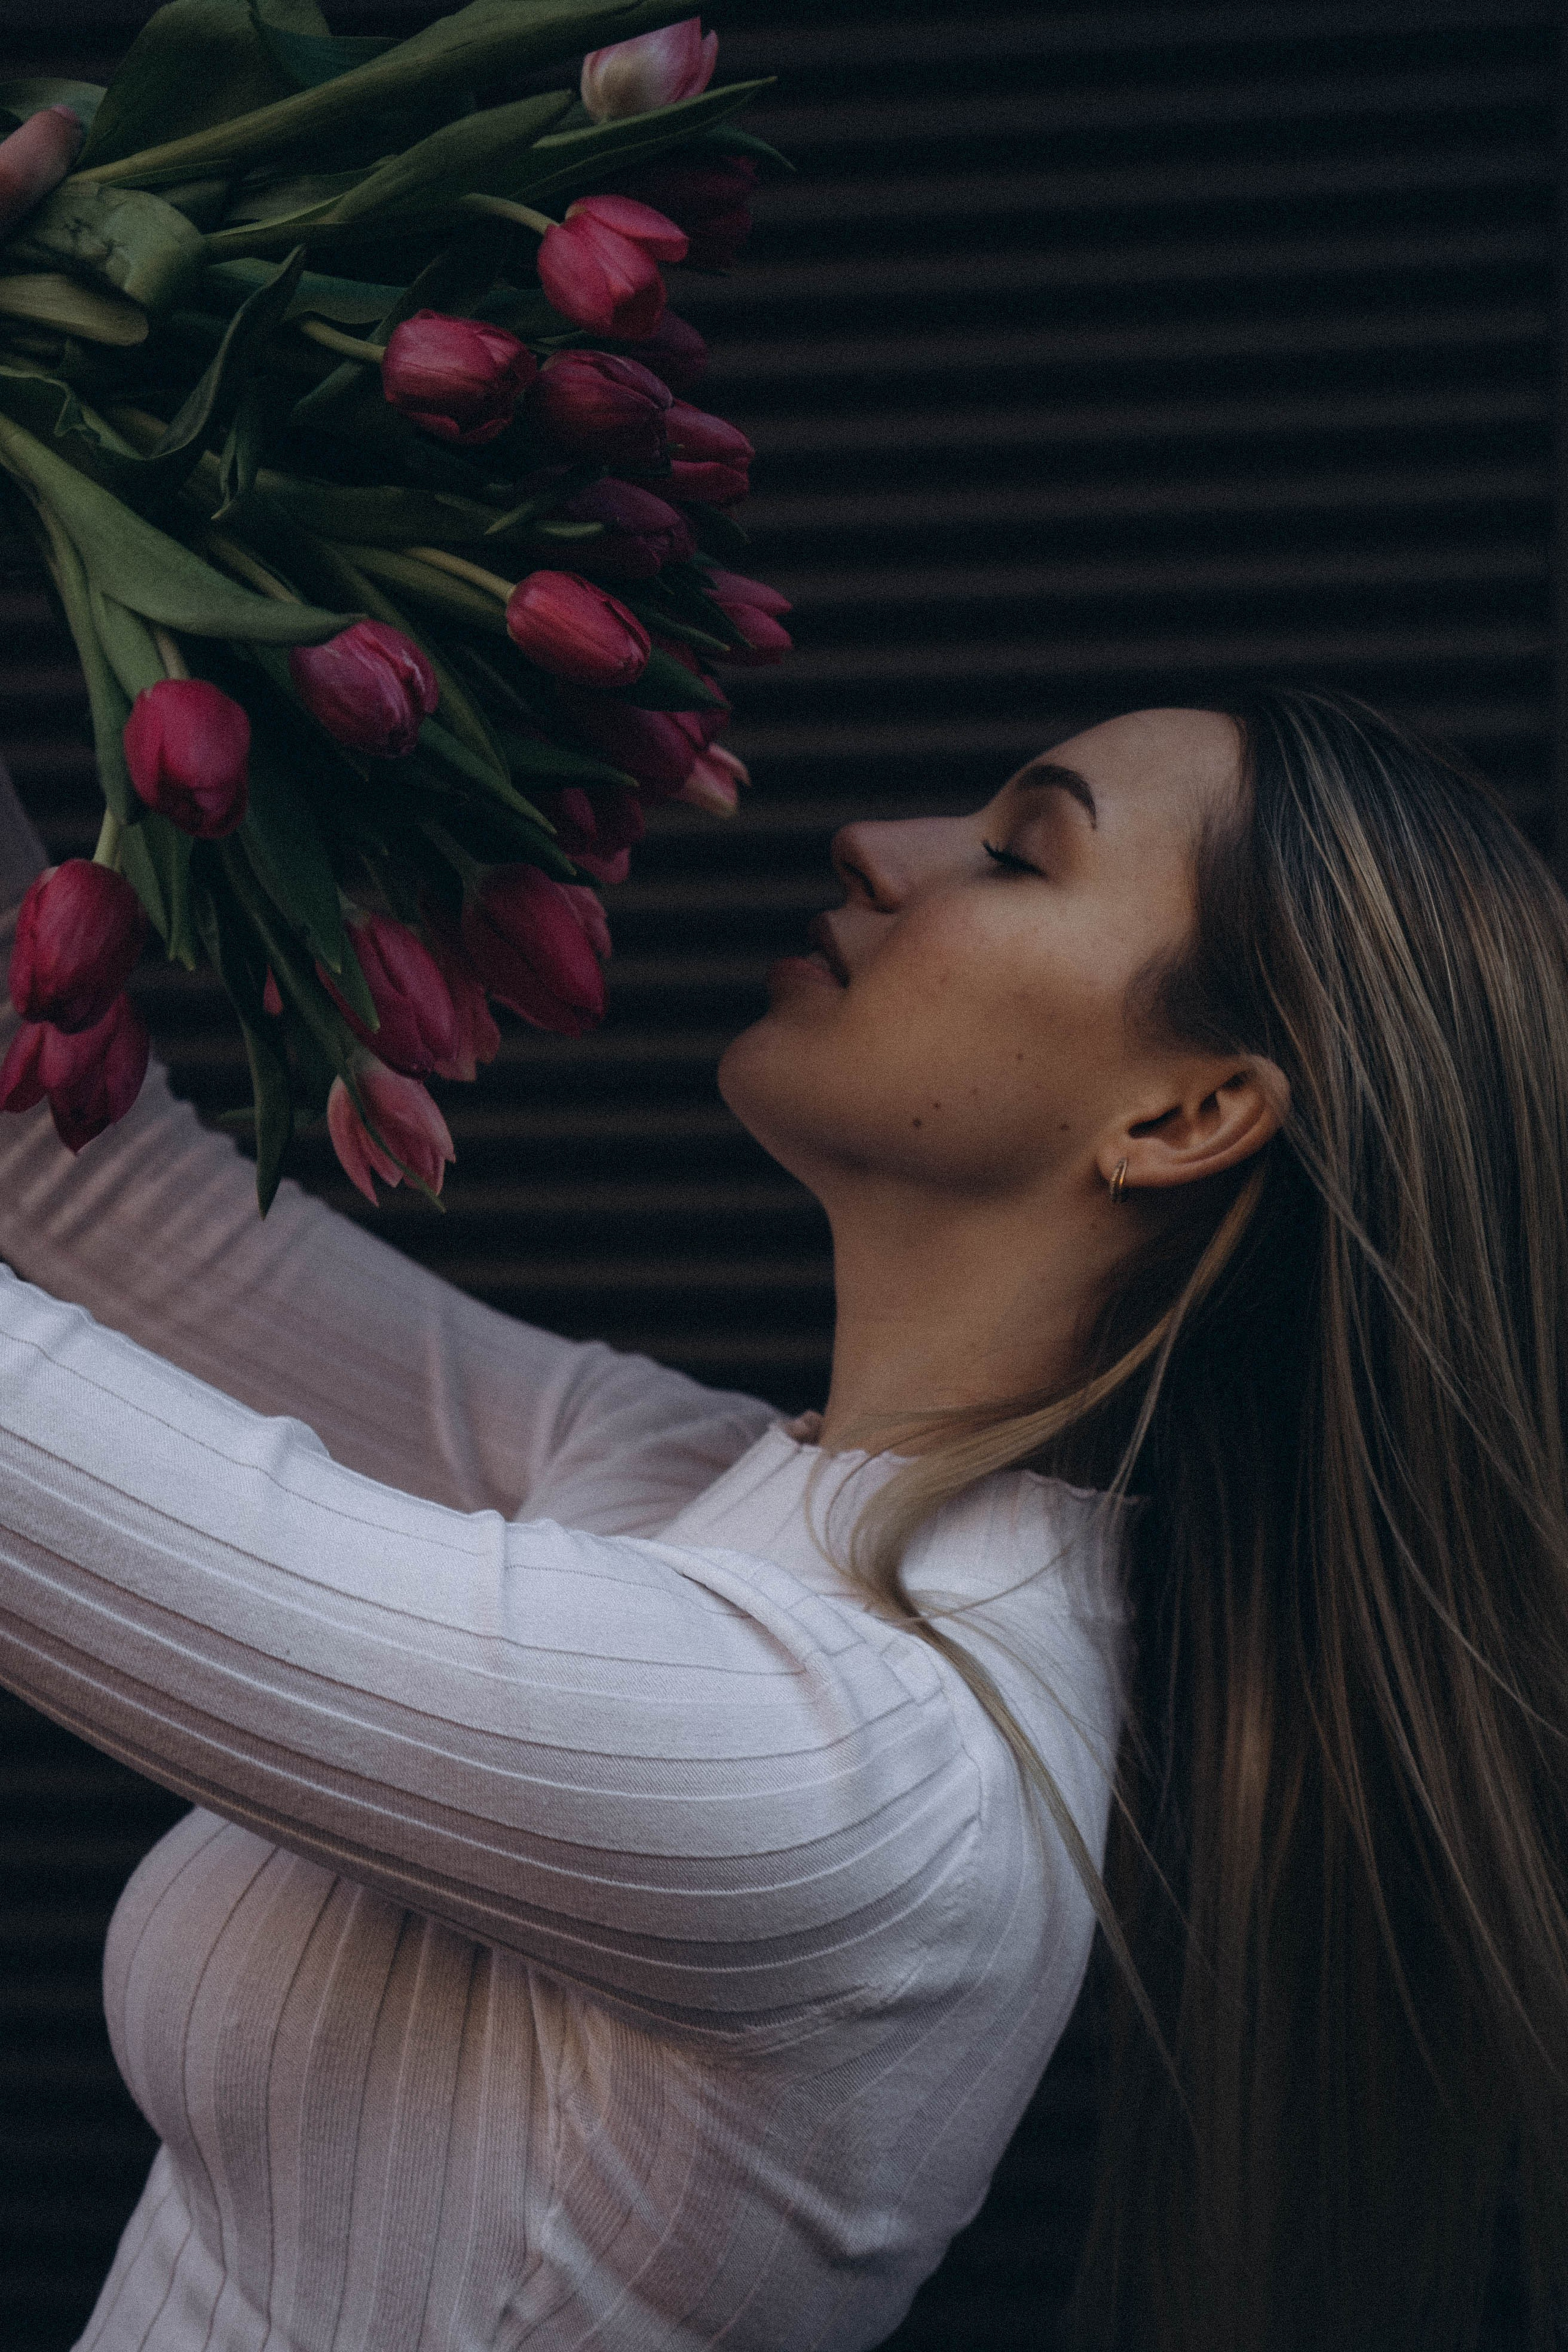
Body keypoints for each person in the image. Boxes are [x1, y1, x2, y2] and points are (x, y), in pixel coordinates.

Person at [0, 690, 1562, 2352]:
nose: (877, 848)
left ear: (1184, 1118)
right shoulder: (691, 1481)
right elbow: (74, 1165)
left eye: (1021, 858)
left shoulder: (860, 1771)